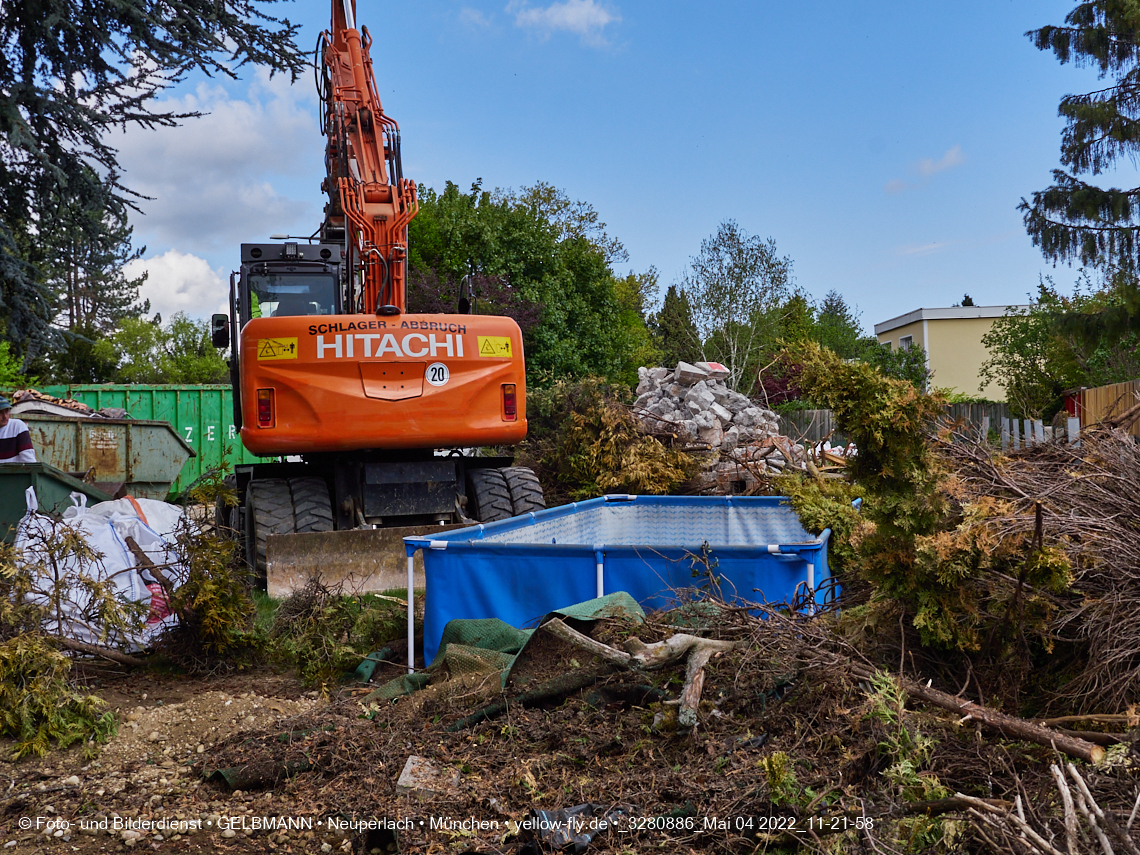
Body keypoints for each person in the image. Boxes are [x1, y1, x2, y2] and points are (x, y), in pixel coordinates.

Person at [0, 397, 36, 463]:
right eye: (0, 413)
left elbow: (29, 460)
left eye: (6, 411)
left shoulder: (18, 426)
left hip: (15, 472)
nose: (5, 416)